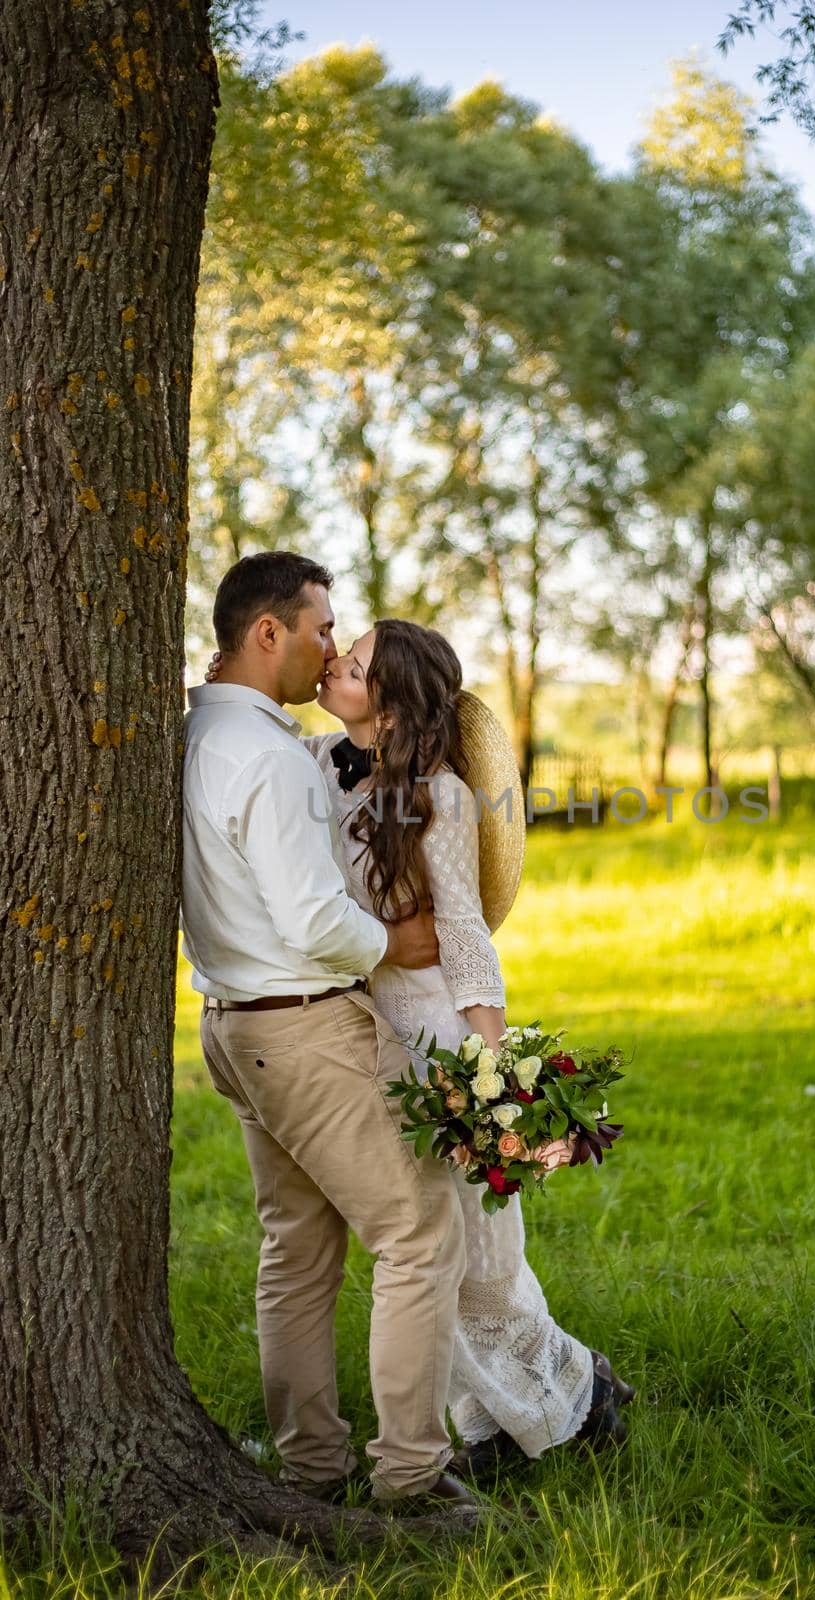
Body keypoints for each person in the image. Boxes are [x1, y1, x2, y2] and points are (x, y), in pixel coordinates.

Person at [306, 618, 635, 1478]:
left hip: (435, 1029)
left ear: (392, 701)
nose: (335, 663)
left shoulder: (442, 795)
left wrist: (492, 1067)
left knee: (477, 1248)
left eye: (358, 663)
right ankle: (536, 1400)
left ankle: (551, 1404)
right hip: (358, 1030)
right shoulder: (315, 766)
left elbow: (460, 926)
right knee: (422, 1241)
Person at [180, 552, 474, 1514]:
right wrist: (394, 939)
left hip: (237, 1026)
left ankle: (311, 1470)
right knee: (420, 1236)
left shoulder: (201, 733)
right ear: (269, 634)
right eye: (319, 628)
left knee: (297, 1255)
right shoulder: (266, 754)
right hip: (304, 1030)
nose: (330, 647)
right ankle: (411, 1483)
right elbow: (313, 922)